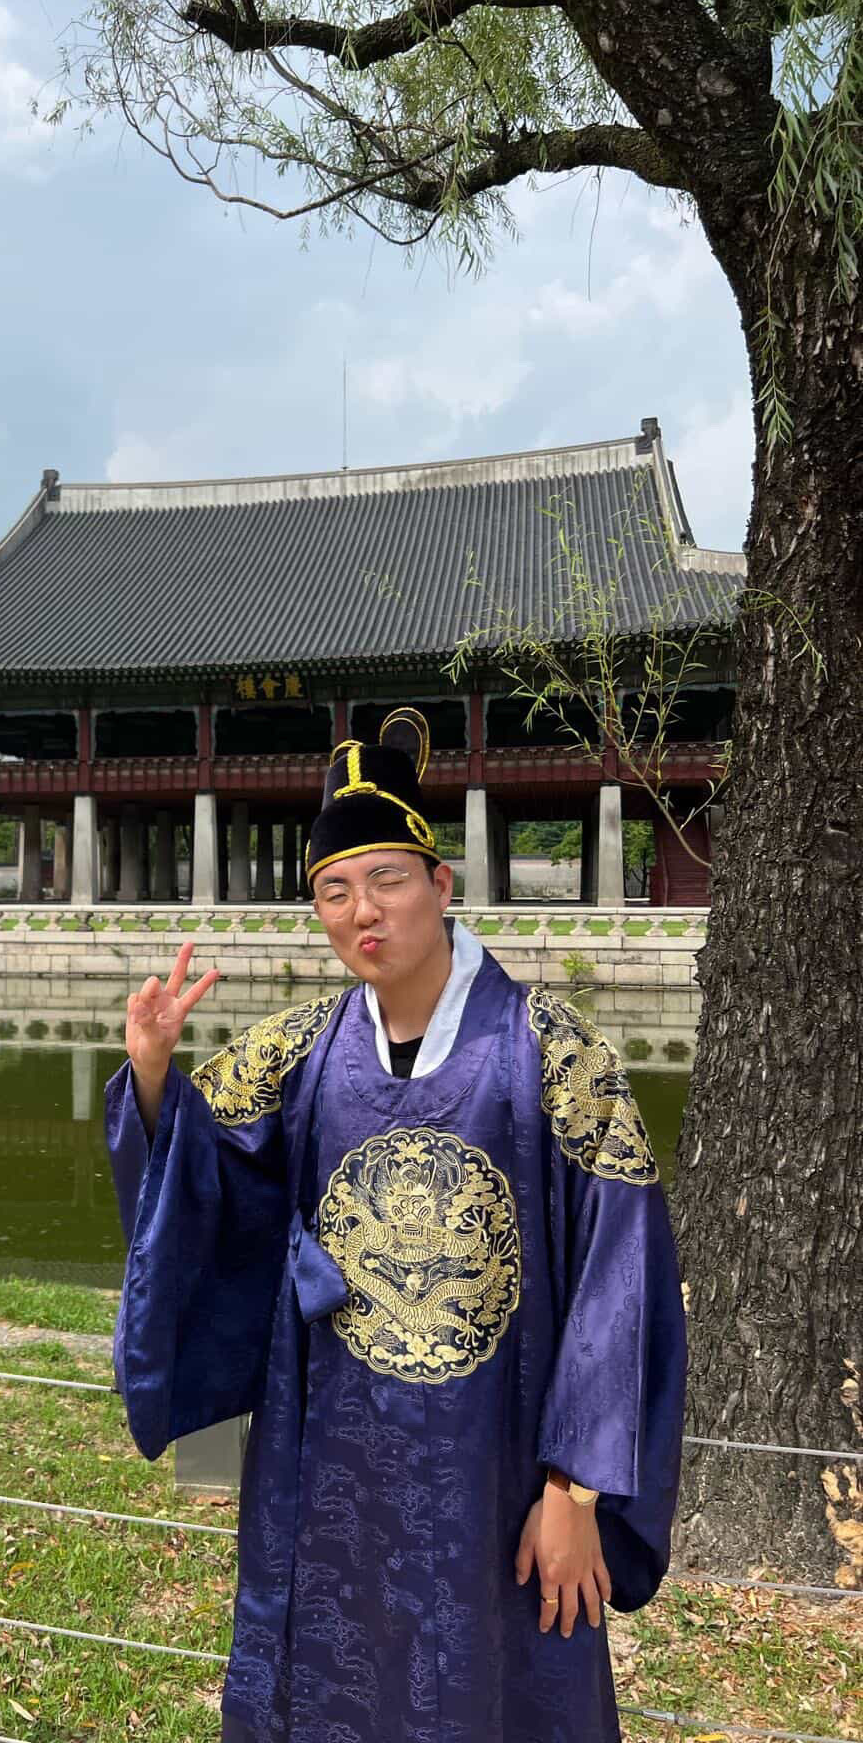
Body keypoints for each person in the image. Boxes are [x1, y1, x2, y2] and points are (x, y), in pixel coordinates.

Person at [105, 708, 687, 1743]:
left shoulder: (556, 1054)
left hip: (500, 1463)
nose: (361, 910)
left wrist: (575, 1490)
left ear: (441, 884)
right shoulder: (296, 1051)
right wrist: (153, 1076)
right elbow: (197, 1196)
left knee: (497, 1683)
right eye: (334, 891)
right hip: (330, 1452)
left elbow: (621, 1280)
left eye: (386, 880)